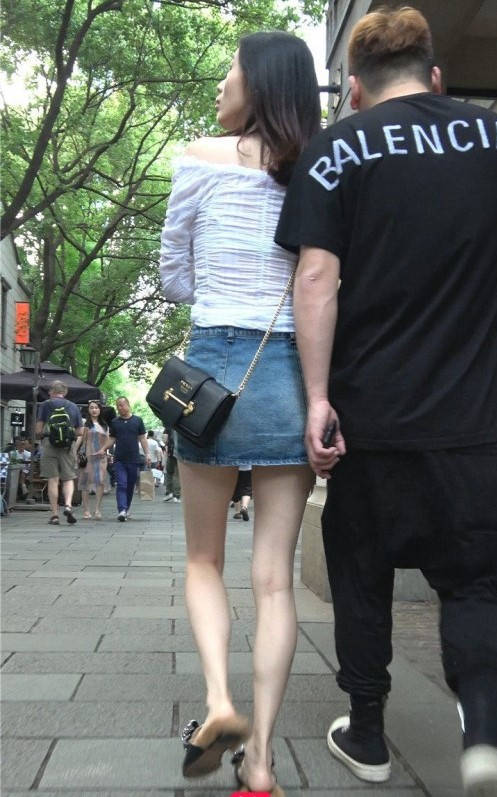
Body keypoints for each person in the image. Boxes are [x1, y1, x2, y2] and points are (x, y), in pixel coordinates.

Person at [275, 7, 497, 795]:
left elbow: (316, 278)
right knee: (475, 580)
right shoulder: (488, 138)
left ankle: (366, 732)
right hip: (475, 420)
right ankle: (481, 731)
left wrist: (316, 398)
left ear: (356, 90)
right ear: (435, 75)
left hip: (370, 416)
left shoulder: (336, 150)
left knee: (360, 570)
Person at [159, 31, 320, 795]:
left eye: (230, 70)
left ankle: (220, 701)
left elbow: (172, 277)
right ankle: (259, 763)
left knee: (203, 560)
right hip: (288, 369)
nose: (222, 83)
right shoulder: (317, 169)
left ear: (256, 82)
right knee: (274, 580)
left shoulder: (199, 157)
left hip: (211, 373)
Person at [35, 380, 84, 525]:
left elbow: (38, 430)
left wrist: (46, 434)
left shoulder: (45, 405)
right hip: (67, 447)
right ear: (65, 392)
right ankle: (68, 505)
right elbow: (80, 431)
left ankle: (55, 515)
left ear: (51, 392)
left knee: (53, 479)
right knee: (68, 478)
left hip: (49, 445)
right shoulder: (73, 406)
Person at [97, 397, 150, 521]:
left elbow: (142, 438)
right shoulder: (115, 422)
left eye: (122, 405)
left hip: (134, 459)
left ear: (128, 405)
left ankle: (126, 509)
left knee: (130, 485)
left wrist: (147, 454)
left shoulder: (137, 420)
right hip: (119, 459)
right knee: (121, 484)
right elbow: (112, 438)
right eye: (118, 406)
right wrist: (103, 448)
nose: (120, 408)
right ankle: (121, 510)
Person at [76, 401, 110, 519]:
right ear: (88, 410)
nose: (94, 410)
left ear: (100, 410)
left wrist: (106, 451)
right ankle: (86, 510)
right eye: (91, 408)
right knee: (85, 483)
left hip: (101, 457)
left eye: (96, 408)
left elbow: (108, 441)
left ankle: (97, 509)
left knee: (100, 482)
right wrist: (74, 452)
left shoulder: (105, 425)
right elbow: (80, 439)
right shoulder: (85, 424)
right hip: (87, 456)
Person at [163, 429, 180, 503]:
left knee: (169, 473)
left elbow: (164, 439)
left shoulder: (169, 426)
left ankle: (169, 492)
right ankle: (176, 496)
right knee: (177, 475)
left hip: (171, 453)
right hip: (180, 453)